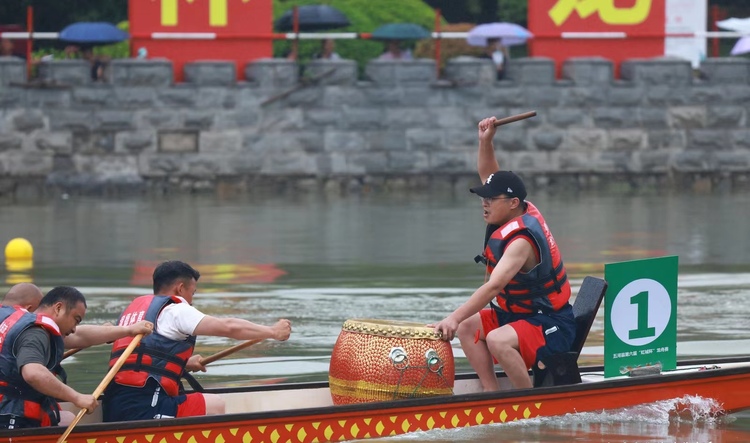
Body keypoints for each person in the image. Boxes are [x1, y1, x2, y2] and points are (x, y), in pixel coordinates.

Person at [432, 116, 574, 391]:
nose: (484, 204)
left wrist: (451, 317)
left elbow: (494, 287)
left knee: (495, 338)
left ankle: (526, 404)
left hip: (550, 323)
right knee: (468, 327)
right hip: (520, 316)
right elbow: (489, 173)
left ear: (513, 203)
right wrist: (486, 141)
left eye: (490, 200)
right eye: (482, 198)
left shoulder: (521, 241)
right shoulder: (514, 208)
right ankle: (491, 393)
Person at [102, 260, 292, 422]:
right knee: (215, 404)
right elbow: (229, 327)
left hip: (114, 404)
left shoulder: (133, 312)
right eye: (193, 293)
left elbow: (143, 360)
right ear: (180, 288)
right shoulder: (176, 310)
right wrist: (272, 331)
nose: (191, 301)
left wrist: (181, 364)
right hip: (144, 407)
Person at [0, 286, 152, 429]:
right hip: (10, 414)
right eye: (76, 319)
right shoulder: (36, 333)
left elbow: (80, 336)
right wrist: (76, 397)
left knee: (66, 418)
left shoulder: (11, 321)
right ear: (58, 308)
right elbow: (33, 373)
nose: (73, 328)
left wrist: (127, 330)